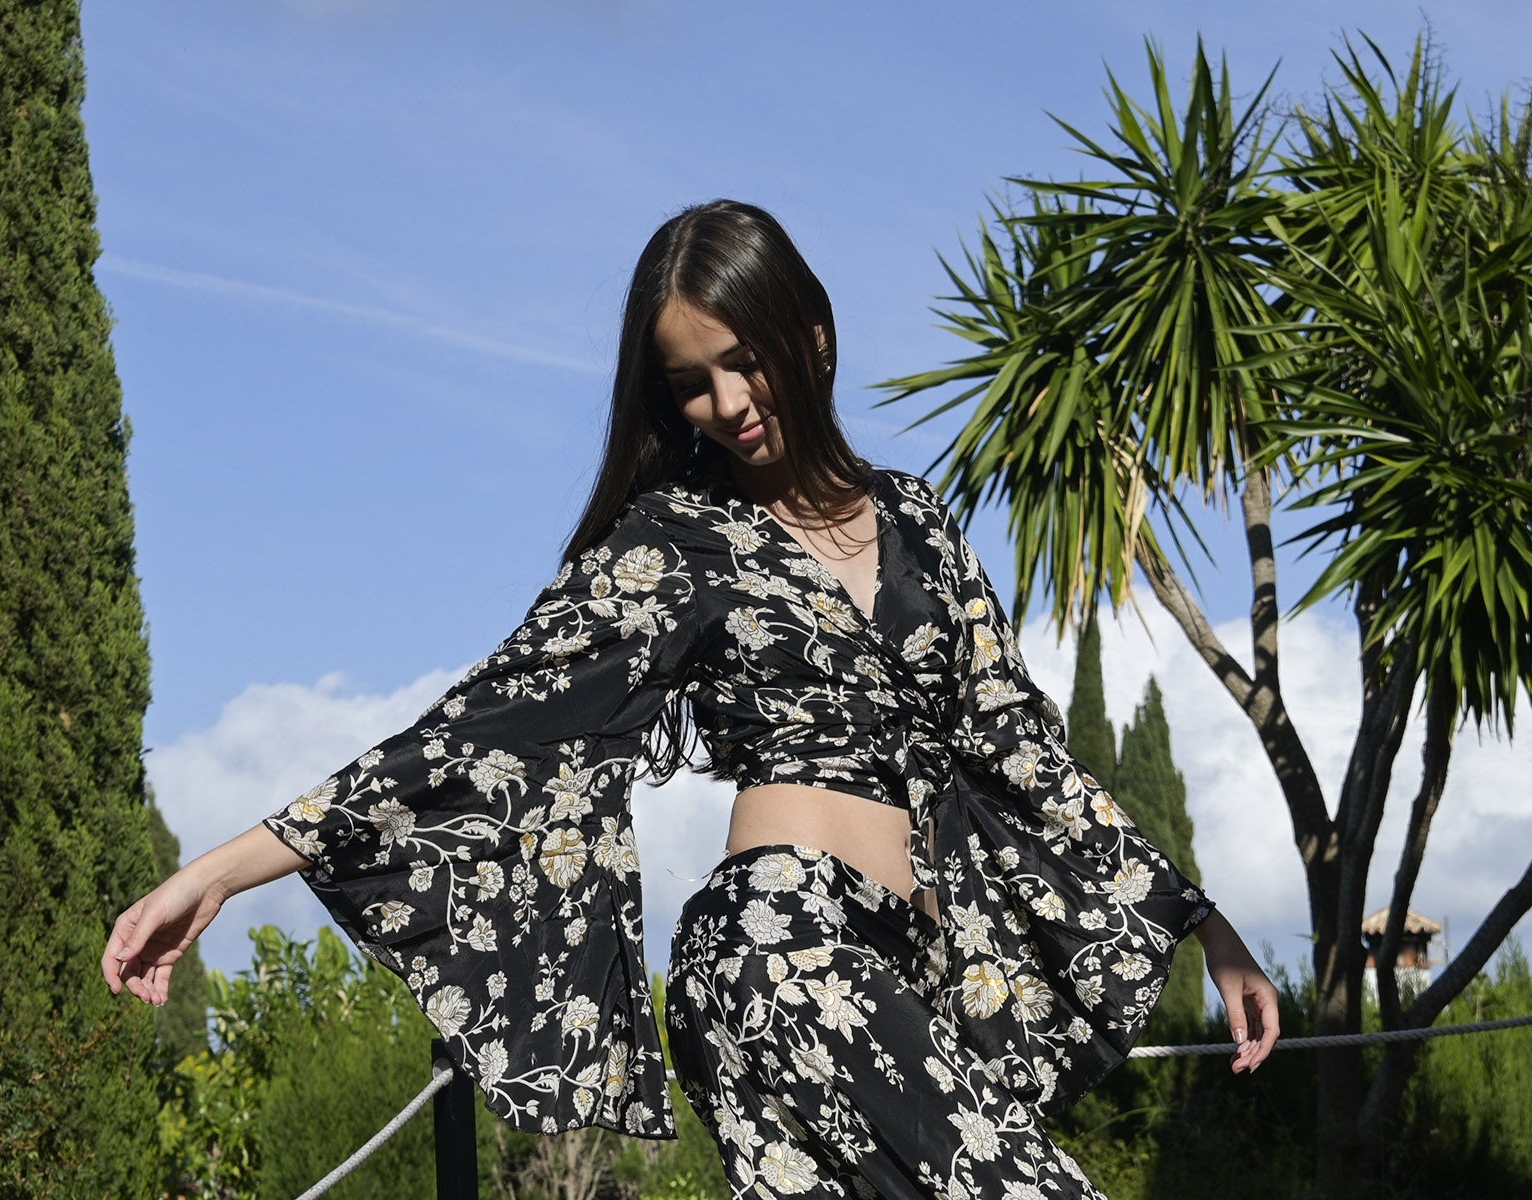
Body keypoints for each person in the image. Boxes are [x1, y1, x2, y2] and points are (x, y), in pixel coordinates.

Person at [104, 199, 1278, 1198]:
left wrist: (1203, 925)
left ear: (810, 337)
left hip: (904, 966)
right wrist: (216, 870)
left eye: (745, 359)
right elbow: (487, 729)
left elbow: (1022, 748)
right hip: (778, 942)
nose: (727, 401)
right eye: (692, 383)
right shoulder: (678, 540)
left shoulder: (920, 520)